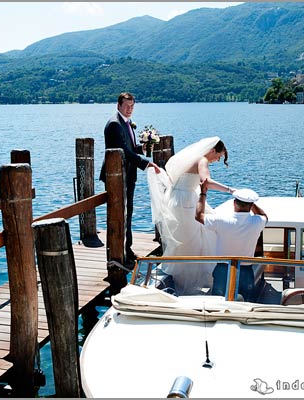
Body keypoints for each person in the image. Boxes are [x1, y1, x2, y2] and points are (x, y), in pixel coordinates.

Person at [146, 136, 236, 294]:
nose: (216, 160)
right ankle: (187, 284)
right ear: (212, 150)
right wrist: (230, 190)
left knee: (190, 238)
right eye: (218, 156)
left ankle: (186, 279)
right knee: (191, 241)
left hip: (179, 199)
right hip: (185, 203)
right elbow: (206, 181)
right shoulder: (202, 160)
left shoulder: (191, 159)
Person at [99, 92, 160, 263]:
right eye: (126, 106)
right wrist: (146, 163)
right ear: (118, 105)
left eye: (132, 106)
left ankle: (128, 249)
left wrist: (146, 147)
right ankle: (119, 254)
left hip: (127, 175)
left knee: (128, 213)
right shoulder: (114, 124)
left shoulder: (126, 124)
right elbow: (123, 151)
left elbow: (131, 148)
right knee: (120, 215)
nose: (129, 109)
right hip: (116, 177)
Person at [195, 186, 268, 300]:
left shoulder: (221, 220)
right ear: (250, 206)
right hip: (246, 269)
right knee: (247, 303)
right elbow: (264, 216)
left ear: (234, 203)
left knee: (219, 302)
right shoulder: (257, 222)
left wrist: (203, 194)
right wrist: (251, 204)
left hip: (223, 269)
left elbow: (199, 216)